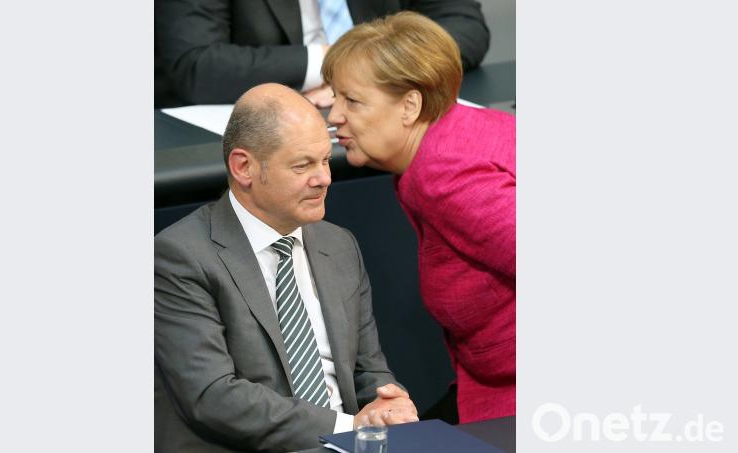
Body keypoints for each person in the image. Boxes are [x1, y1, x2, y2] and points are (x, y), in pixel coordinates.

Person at [154, 83, 418, 452]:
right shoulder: (180, 256)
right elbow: (213, 397)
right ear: (243, 167)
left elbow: (368, 369)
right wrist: (347, 426)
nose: (324, 178)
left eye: (325, 160)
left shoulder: (337, 244)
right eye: (302, 165)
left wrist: (386, 404)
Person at [323, 11, 515, 424]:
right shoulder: (463, 125)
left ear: (410, 105)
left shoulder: (443, 175)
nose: (334, 115)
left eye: (352, 100)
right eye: (334, 97)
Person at [154, 0, 489, 107]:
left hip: (389, 122)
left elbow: (463, 25)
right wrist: (332, 66)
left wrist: (370, 69)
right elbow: (196, 63)